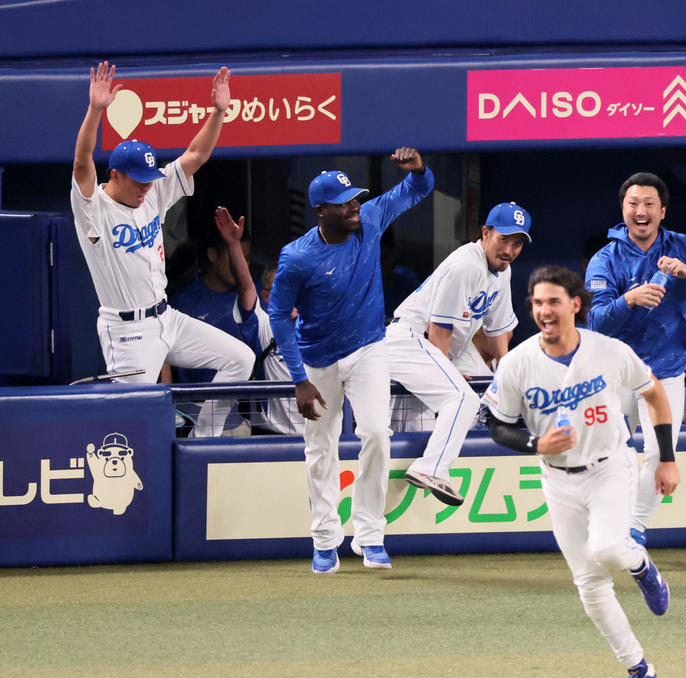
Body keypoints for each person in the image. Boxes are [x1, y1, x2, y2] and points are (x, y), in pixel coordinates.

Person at [482, 265, 677, 678]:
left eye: (553, 301)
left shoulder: (608, 350)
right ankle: (639, 671)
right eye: (536, 303)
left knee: (609, 548)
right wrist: (535, 443)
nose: (544, 311)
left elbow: (654, 393)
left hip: (610, 465)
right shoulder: (518, 363)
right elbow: (496, 424)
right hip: (557, 478)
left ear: (575, 304)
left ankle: (641, 565)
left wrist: (665, 457)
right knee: (588, 584)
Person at [267, 149, 435, 573]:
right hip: (317, 359)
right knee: (320, 448)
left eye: (356, 198)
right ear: (321, 211)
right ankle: (324, 539)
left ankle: (370, 535)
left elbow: (414, 190)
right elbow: (277, 317)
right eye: (344, 203)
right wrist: (299, 379)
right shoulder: (297, 257)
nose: (355, 206)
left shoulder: (370, 220)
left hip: (368, 347)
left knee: (378, 433)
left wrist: (418, 170)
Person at [70, 61, 253, 437]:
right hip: (128, 330)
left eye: (149, 180)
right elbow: (81, 162)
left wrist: (218, 112)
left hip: (167, 318)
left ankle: (202, 444)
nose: (146, 188)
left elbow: (196, 155)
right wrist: (95, 111)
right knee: (129, 426)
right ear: (116, 175)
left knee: (241, 359)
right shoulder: (94, 209)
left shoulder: (152, 194)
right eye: (138, 180)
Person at [585, 172, 686, 545]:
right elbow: (595, 319)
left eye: (649, 204)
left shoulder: (681, 246)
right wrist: (630, 299)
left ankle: (634, 530)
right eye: (633, 204)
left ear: (662, 211)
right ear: (623, 209)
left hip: (666, 371)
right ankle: (609, 523)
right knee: (610, 453)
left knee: (660, 453)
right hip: (616, 371)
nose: (641, 211)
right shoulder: (606, 258)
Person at [387, 202, 529, 505]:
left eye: (517, 243)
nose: (509, 249)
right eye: (503, 239)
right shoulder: (466, 265)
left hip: (446, 347)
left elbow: (497, 332)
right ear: (486, 233)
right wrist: (445, 368)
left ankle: (434, 469)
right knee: (461, 397)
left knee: (487, 396)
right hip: (409, 338)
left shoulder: (502, 271)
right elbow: (439, 330)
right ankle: (431, 468)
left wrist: (506, 372)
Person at [213, 207, 303, 435]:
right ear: (266, 297)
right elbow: (246, 287)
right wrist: (234, 244)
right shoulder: (263, 325)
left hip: (321, 438)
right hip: (272, 438)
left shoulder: (324, 327)